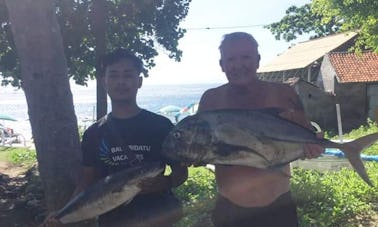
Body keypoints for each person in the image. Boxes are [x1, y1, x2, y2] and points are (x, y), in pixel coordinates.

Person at [41, 48, 188, 227]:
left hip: (158, 220)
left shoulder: (161, 126)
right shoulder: (94, 133)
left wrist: (165, 182)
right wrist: (62, 214)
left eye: (128, 75)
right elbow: (87, 182)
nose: (121, 82)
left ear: (139, 81)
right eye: (114, 76)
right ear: (104, 82)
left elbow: (181, 172)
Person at [197, 32, 324, 227]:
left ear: (257, 60)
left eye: (246, 57)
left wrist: (313, 147)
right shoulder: (211, 100)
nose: (239, 65)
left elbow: (304, 136)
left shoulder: (283, 94)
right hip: (230, 210)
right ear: (222, 64)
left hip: (279, 208)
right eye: (231, 59)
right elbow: (201, 145)